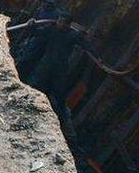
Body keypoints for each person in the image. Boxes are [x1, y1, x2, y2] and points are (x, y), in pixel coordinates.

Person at [26, 12, 93, 145]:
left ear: (68, 24)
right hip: (45, 67)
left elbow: (86, 46)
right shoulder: (51, 29)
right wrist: (31, 25)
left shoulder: (73, 35)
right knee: (33, 88)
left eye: (63, 22)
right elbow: (37, 33)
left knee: (59, 97)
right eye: (59, 21)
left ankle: (65, 128)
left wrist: (90, 44)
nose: (60, 24)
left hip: (59, 71)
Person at [12, 0, 63, 78]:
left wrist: (34, 28)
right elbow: (33, 20)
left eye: (45, 2)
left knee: (30, 61)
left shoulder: (56, 14)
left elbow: (48, 29)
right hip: (33, 39)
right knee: (22, 55)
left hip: (44, 43)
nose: (43, 4)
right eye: (42, 1)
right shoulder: (40, 10)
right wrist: (31, 23)